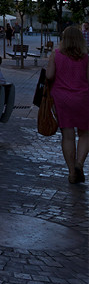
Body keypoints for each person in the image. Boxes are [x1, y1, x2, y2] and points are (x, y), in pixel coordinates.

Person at [45, 26, 89, 184]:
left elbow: (49, 76)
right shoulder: (85, 57)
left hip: (62, 98)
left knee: (68, 136)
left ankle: (71, 173)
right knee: (85, 134)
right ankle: (79, 164)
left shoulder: (56, 54)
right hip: (83, 98)